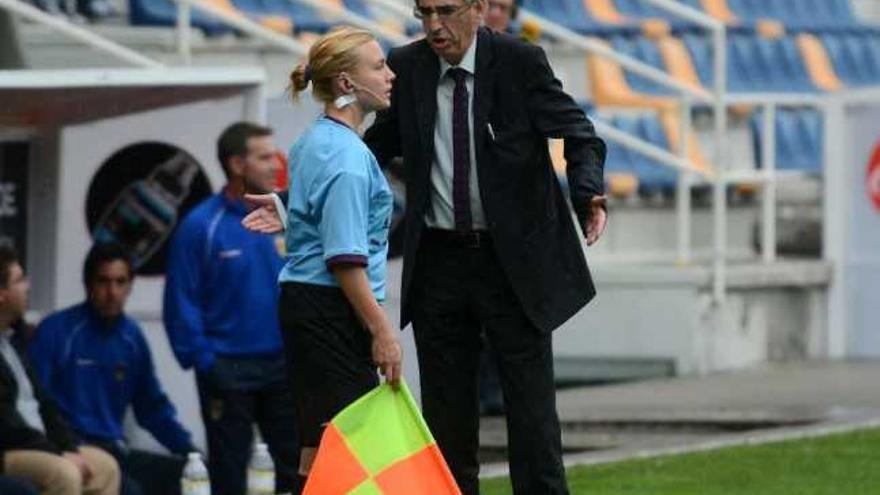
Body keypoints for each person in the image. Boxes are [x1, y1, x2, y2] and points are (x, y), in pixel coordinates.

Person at [243, 1, 607, 493]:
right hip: (439, 263)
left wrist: (588, 193)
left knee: (533, 420)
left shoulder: (521, 62)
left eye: (447, 10)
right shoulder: (409, 67)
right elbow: (364, 153)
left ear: (478, 8)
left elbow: (580, 134)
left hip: (511, 264)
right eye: (424, 12)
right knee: (445, 423)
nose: (435, 25)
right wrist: (292, 203)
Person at [276, 26, 402, 493]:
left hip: (303, 304)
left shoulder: (314, 139)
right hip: (331, 309)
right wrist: (381, 330)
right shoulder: (349, 158)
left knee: (319, 444)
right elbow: (344, 259)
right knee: (354, 452)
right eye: (379, 66)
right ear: (347, 84)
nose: (390, 75)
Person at [163, 122, 299, 495]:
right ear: (237, 165)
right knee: (230, 475)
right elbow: (180, 301)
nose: (276, 164)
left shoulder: (288, 215)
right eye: (265, 156)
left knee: (295, 468)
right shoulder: (200, 226)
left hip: (284, 367)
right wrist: (205, 361)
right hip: (227, 369)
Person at [28, 243, 195, 495]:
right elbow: (37, 402)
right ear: (88, 284)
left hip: (117, 450)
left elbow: (152, 409)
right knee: (131, 491)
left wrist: (191, 452)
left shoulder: (132, 338)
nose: (112, 292)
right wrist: (62, 446)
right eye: (103, 281)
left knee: (187, 475)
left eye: (120, 282)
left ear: (129, 286)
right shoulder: (57, 331)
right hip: (75, 450)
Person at [0, 245, 122, 495]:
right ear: (1, 293)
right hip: (10, 448)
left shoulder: (15, 340)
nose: (27, 287)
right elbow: (7, 423)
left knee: (106, 466)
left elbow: (45, 403)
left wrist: (69, 448)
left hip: (39, 444)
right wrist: (56, 453)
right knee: (64, 473)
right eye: (19, 280)